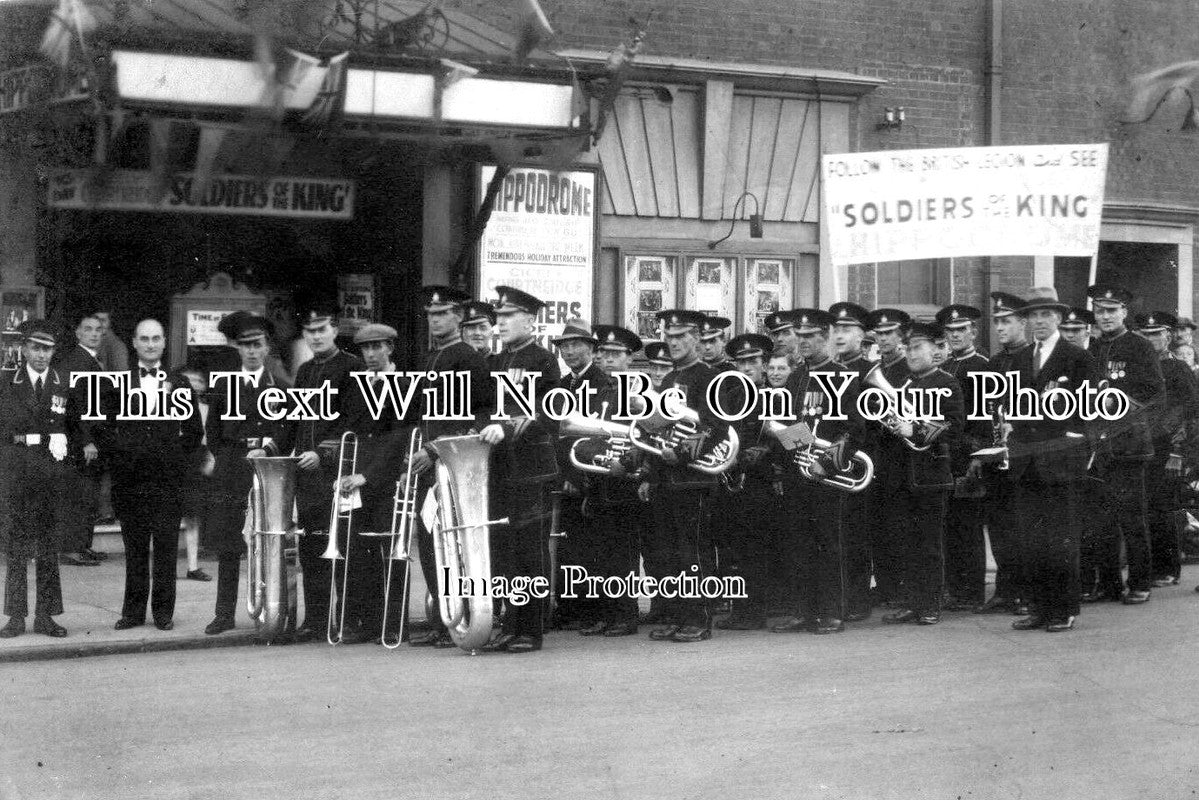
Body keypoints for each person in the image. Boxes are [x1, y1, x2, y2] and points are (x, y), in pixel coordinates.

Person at [101, 319, 204, 631]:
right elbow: (104, 427)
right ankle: (133, 613)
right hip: (131, 481)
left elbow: (194, 432)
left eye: (155, 338)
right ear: (134, 342)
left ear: (163, 343)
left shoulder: (181, 384)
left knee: (165, 549)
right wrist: (123, 458)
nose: (149, 344)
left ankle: (163, 613)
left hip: (166, 482)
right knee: (134, 549)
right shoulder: (117, 383)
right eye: (143, 339)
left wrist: (171, 459)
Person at [1005, 288, 1096, 632]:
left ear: (1058, 317)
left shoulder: (1077, 357)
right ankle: (1039, 607)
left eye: (1046, 314)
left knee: (1060, 538)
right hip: (1026, 461)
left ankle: (1063, 608)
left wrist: (1078, 445)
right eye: (1033, 316)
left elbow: (1090, 410)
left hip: (1060, 462)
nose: (1039, 321)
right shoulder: (1020, 358)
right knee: (1031, 538)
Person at [405, 286, 490, 649]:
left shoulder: (468, 357)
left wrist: (434, 451)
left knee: (455, 543)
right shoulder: (428, 358)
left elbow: (480, 415)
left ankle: (464, 616)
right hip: (427, 467)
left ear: (458, 318)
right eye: (430, 314)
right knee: (429, 542)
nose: (434, 320)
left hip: (451, 466)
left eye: (442, 314)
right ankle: (444, 619)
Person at [275, 303, 365, 642]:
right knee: (312, 551)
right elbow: (295, 421)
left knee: (344, 548)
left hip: (339, 473)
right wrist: (272, 449)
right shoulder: (305, 371)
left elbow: (352, 423)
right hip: (307, 476)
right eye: (310, 331)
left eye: (321, 329)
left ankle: (348, 619)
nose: (315, 336)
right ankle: (315, 619)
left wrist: (323, 454)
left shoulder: (352, 368)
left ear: (335, 329)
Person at [480, 286, 561, 653]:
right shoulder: (496, 362)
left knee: (528, 551)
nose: (501, 323)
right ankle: (512, 624)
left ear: (530, 320)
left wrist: (509, 426)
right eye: (498, 317)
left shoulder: (543, 360)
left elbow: (550, 413)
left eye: (509, 317)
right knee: (506, 551)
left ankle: (530, 629)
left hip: (530, 470)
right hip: (502, 468)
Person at [639, 309, 726, 643]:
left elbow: (717, 428)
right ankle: (678, 616)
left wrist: (684, 451)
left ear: (696, 339)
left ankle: (699, 619)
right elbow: (662, 427)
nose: (673, 343)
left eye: (680, 337)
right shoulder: (671, 379)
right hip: (667, 478)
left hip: (694, 478)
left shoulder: (708, 377)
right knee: (671, 552)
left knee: (693, 551)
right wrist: (650, 469)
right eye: (669, 337)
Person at [770, 310, 860, 635]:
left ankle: (832, 612)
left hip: (827, 474)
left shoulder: (843, 375)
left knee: (828, 543)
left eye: (810, 336)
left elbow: (854, 429)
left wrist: (827, 461)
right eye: (800, 336)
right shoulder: (796, 376)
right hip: (798, 472)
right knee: (798, 543)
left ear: (825, 337)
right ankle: (804, 612)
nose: (803, 342)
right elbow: (792, 424)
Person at [203, 315, 287, 636]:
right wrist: (230, 457)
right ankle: (223, 614)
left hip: (264, 469)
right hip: (232, 467)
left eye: (257, 345)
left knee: (265, 541)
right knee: (229, 543)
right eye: (246, 346)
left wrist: (267, 448)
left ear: (266, 348)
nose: (251, 351)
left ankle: (267, 607)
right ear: (238, 349)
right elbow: (213, 433)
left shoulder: (278, 386)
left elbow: (285, 429)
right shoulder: (223, 385)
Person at [1084, 283, 1165, 606]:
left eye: (1111, 311)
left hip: (1129, 445)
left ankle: (1141, 582)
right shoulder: (1091, 350)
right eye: (1100, 311)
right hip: (1098, 446)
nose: (1104, 317)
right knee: (1101, 520)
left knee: (1131, 517)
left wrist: (1118, 412)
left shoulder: (1139, 347)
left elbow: (1153, 391)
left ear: (1124, 313)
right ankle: (1108, 583)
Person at [880, 322, 964, 627]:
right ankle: (911, 602)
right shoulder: (905, 385)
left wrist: (913, 429)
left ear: (934, 350)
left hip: (930, 474)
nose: (911, 353)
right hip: (902, 474)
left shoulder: (947, 383)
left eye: (917, 348)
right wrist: (893, 425)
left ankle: (930, 603)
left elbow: (953, 427)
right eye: (909, 348)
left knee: (929, 544)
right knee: (906, 541)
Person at [570, 324, 645, 636]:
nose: (608, 359)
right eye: (603, 353)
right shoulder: (601, 392)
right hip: (600, 480)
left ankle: (625, 616)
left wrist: (626, 461)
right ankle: (605, 613)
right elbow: (589, 434)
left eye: (616, 354)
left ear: (629, 359)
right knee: (600, 552)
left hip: (625, 482)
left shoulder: (639, 394)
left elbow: (645, 435)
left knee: (623, 553)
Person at [335, 324, 408, 644]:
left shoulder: (404, 384)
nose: (371, 354)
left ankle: (394, 624)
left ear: (390, 348)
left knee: (392, 553)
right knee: (359, 553)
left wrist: (369, 476)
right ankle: (366, 622)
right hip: (358, 479)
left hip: (387, 481)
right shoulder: (357, 385)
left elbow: (398, 438)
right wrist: (345, 472)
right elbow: (349, 433)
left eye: (377, 347)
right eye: (366, 349)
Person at [0, 320, 70, 639]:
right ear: (24, 348)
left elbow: (76, 424)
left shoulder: (62, 382)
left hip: (50, 471)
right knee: (16, 547)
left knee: (47, 548)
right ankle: (15, 617)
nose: (42, 355)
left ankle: (46, 616)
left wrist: (65, 441)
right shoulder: (7, 382)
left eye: (48, 349)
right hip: (17, 469)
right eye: (37, 348)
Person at [714, 333, 777, 631]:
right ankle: (740, 610)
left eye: (753, 361)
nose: (747, 367)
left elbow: (798, 435)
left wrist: (767, 450)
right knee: (734, 548)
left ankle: (755, 611)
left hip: (762, 481)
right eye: (741, 362)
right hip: (731, 479)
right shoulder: (729, 397)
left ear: (764, 365)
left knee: (757, 549)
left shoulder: (778, 396)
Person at [973, 292, 1031, 615]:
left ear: (1023, 322)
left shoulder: (1032, 359)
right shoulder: (995, 363)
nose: (1000, 327)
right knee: (998, 525)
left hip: (1022, 455)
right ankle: (1005, 591)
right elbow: (986, 410)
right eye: (996, 322)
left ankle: (1023, 592)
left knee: (1021, 526)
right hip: (997, 453)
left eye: (1006, 321)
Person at [1133, 312, 1199, 587]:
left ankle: (1168, 567)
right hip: (1140, 446)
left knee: (1163, 507)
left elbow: (1189, 411)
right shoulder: (1140, 367)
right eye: (1146, 335)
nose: (1151, 339)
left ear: (1167, 336)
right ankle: (1151, 566)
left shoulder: (1177, 369)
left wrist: (1177, 451)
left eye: (1156, 334)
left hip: (1167, 448)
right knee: (1145, 506)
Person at [550, 317, 605, 629]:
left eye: (575, 345)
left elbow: (595, 436)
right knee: (566, 545)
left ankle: (590, 610)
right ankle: (569, 608)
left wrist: (576, 476)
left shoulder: (601, 383)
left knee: (588, 546)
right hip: (564, 475)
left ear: (590, 349)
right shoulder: (562, 384)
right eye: (564, 346)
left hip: (586, 475)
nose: (569, 351)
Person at [934, 304, 989, 613]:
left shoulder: (981, 365)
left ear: (973, 332)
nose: (955, 336)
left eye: (960, 330)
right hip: (949, 455)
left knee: (968, 526)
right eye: (950, 332)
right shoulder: (950, 366)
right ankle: (955, 588)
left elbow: (982, 419)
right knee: (951, 525)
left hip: (969, 454)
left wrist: (977, 454)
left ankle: (971, 591)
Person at [864, 307, 913, 608]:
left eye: (889, 334)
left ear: (902, 335)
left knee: (899, 526)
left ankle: (902, 589)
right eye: (879, 334)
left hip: (902, 456)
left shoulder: (909, 369)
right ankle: (885, 586)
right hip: (877, 454)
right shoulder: (873, 370)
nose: (883, 339)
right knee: (879, 526)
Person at [56, 314, 107, 567]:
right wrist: (85, 440)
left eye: (98, 329)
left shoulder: (91, 360)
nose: (94, 334)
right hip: (81, 441)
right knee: (79, 494)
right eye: (88, 329)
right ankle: (72, 548)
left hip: (93, 440)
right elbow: (74, 407)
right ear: (78, 333)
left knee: (89, 495)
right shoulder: (76, 361)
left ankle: (83, 546)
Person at [177, 365, 213, 582]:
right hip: (173, 459)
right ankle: (162, 566)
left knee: (192, 517)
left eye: (198, 380)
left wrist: (210, 459)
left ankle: (192, 566)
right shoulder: (170, 404)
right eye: (188, 380)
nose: (192, 384)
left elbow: (210, 438)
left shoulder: (206, 409)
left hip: (195, 461)